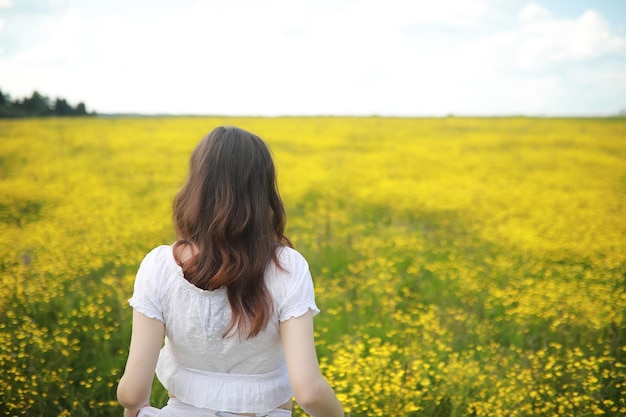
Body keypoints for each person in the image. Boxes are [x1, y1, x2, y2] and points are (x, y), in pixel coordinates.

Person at [117, 126, 344, 417]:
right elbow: (310, 393)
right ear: (263, 192)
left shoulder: (158, 266)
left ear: (196, 187)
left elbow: (132, 393)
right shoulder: (288, 267)